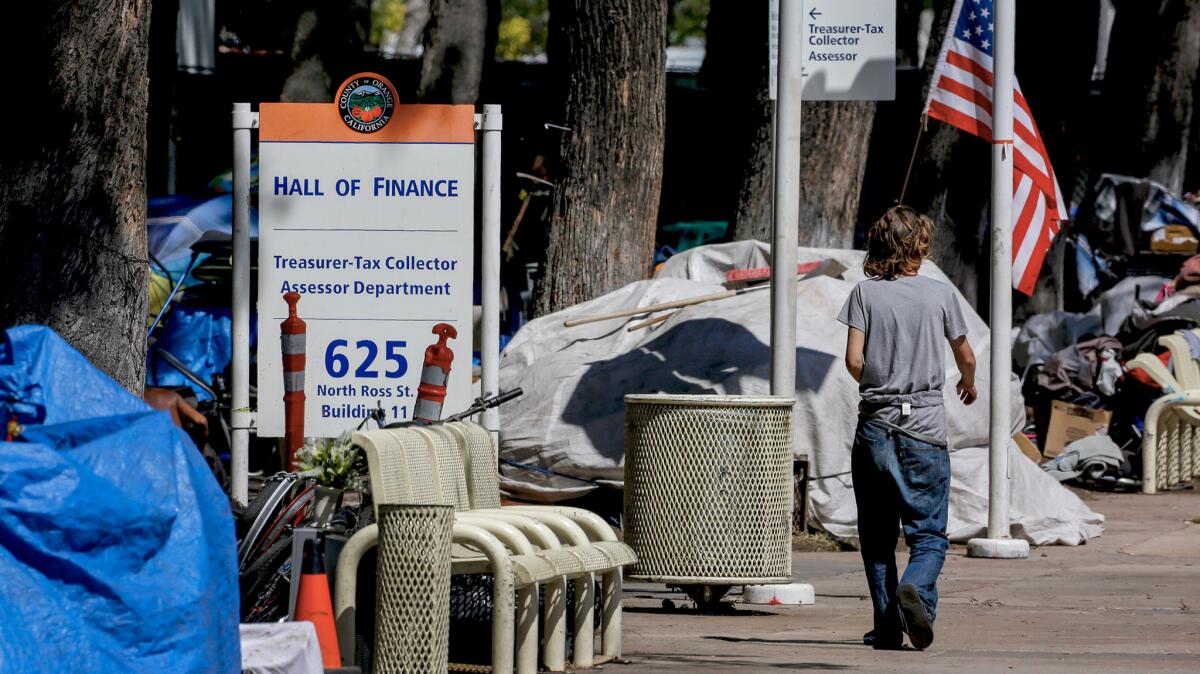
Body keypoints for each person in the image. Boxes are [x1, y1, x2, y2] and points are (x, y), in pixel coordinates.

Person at [836, 205, 977, 651]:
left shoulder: (864, 294)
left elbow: (854, 361)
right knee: (928, 532)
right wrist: (967, 384)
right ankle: (915, 589)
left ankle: (886, 627)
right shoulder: (939, 294)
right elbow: (966, 356)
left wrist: (881, 385)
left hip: (875, 426)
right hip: (925, 427)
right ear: (921, 245)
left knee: (877, 536)